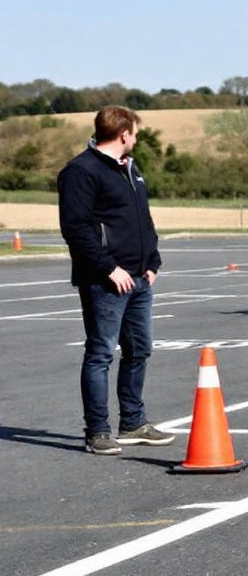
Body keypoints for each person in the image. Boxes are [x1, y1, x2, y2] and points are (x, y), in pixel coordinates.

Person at [58, 106, 173, 455]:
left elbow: (144, 220)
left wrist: (152, 262)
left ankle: (133, 422)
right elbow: (76, 230)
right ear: (124, 134)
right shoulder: (81, 171)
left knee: (140, 350)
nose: (136, 139)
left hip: (139, 278)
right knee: (100, 354)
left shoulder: (131, 169)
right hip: (105, 281)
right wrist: (110, 269)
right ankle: (97, 431)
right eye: (135, 133)